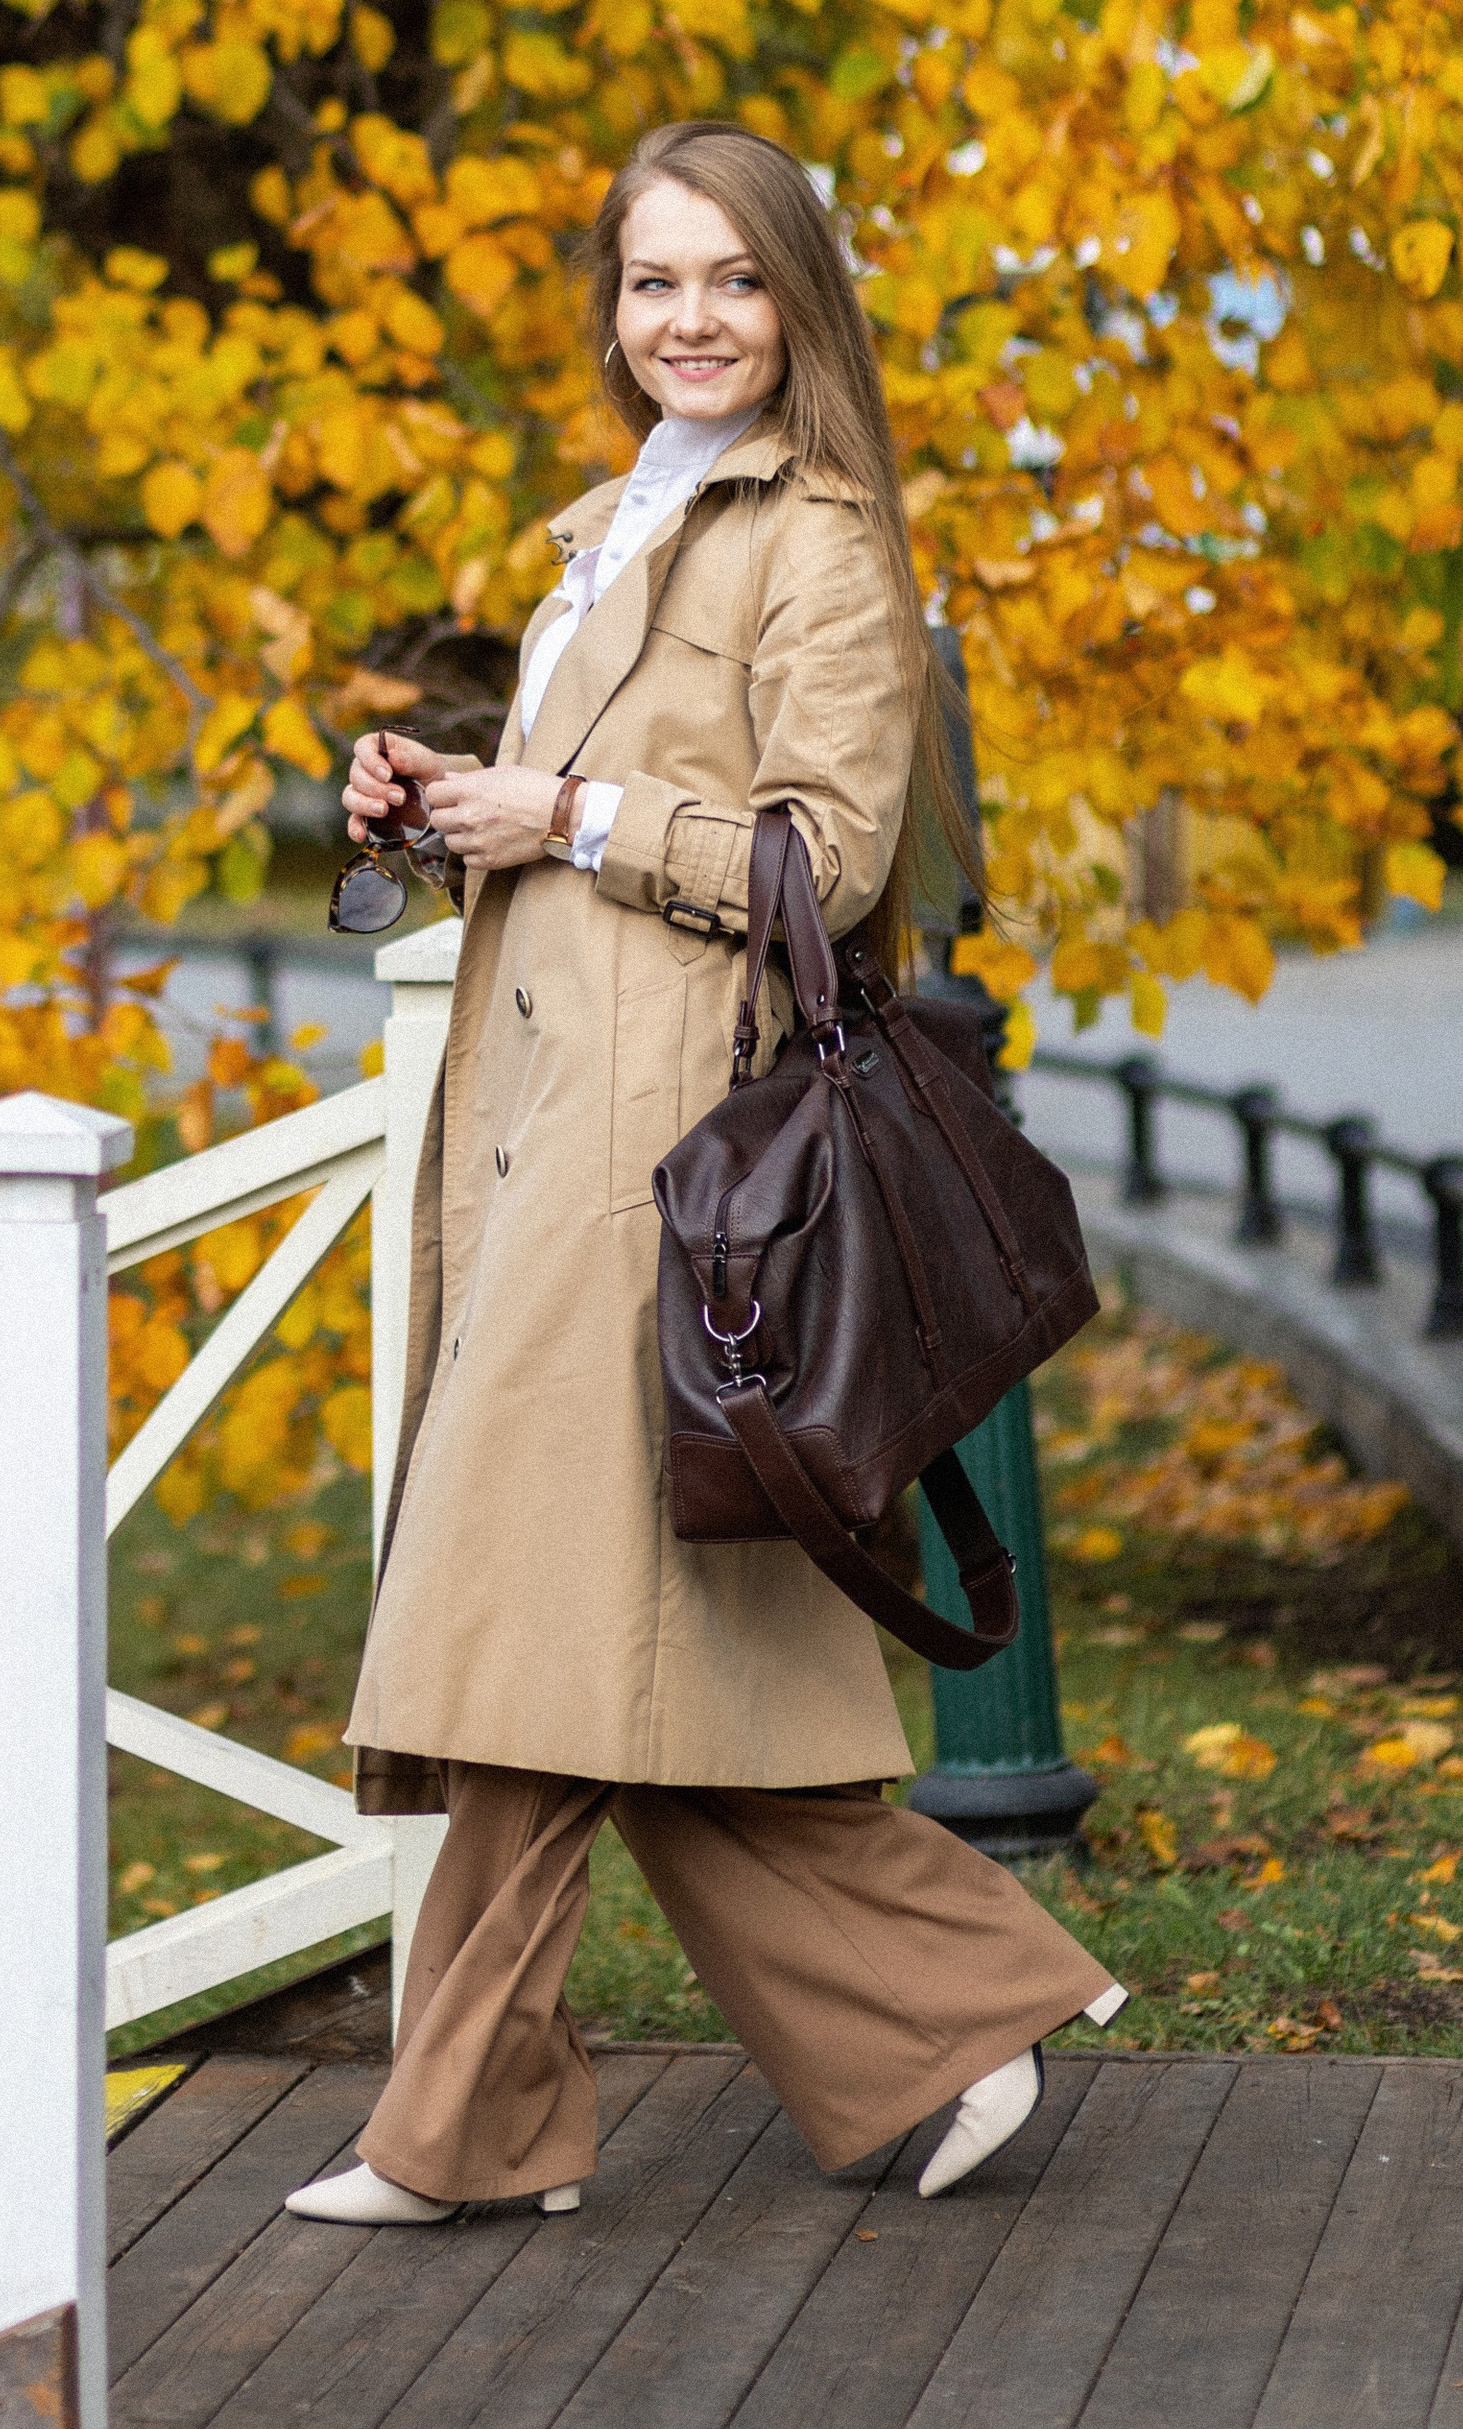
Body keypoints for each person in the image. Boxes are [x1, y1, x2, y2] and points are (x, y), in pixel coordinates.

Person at [288, 120, 1123, 2229]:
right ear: (610, 312)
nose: (690, 319)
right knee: (570, 1644)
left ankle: (476, 2134)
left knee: (532, 1628)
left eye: (733, 280)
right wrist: (444, 804)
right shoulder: (617, 523)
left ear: (797, 304)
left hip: (671, 1158)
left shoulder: (815, 539)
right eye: (653, 282)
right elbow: (595, 809)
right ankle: (929, 2025)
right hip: (558, 1128)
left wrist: (561, 813)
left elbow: (825, 858)